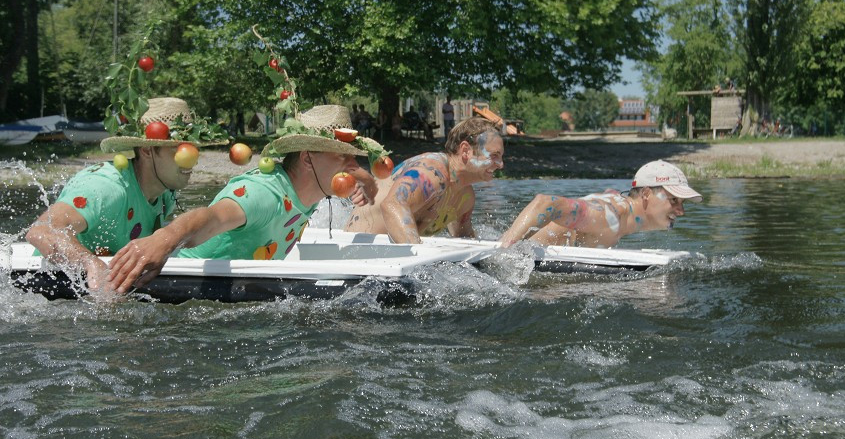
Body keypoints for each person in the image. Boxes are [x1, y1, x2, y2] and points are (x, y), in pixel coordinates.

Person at [106, 105, 381, 294]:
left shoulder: (310, 187)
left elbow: (357, 174)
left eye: (352, 156)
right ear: (308, 158)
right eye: (342, 155)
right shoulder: (264, 193)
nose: (351, 164)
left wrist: (367, 180)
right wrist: (161, 241)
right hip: (171, 282)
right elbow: (211, 217)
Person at [25, 97, 228, 293]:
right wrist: (90, 264)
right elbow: (42, 231)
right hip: (46, 289)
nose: (191, 160)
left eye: (193, 149)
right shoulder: (106, 188)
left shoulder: (165, 194)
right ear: (148, 151)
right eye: (179, 149)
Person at [344, 117, 503, 243]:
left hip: (388, 263)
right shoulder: (431, 173)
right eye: (494, 156)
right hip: (356, 254)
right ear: (466, 151)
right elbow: (392, 204)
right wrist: (417, 260)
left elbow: (465, 240)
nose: (501, 164)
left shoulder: (465, 197)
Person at [499, 160, 702, 249]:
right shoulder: (609, 216)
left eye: (682, 203)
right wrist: (504, 249)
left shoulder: (619, 206)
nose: (681, 212)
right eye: (673, 200)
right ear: (647, 194)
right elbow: (546, 203)